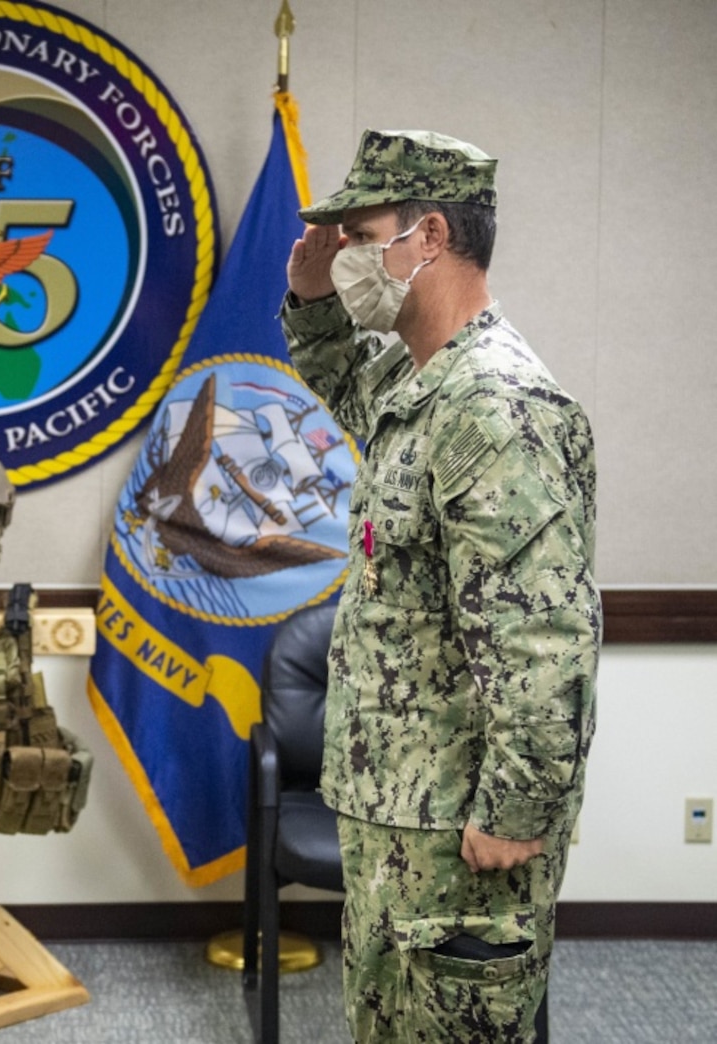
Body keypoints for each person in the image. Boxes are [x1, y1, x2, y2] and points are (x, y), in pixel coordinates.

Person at [280, 130, 599, 1042]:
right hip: (401, 812)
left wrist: (514, 810)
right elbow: (351, 389)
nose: (343, 254)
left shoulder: (494, 405)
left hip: (462, 831)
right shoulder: (428, 383)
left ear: (426, 236)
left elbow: (546, 637)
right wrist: (313, 302)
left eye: (358, 232)